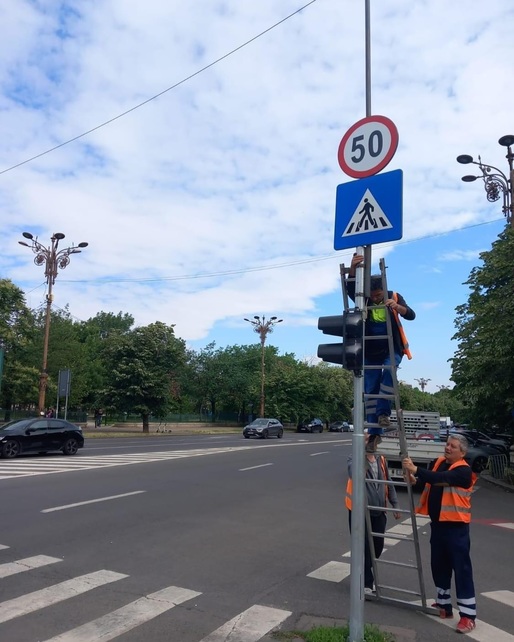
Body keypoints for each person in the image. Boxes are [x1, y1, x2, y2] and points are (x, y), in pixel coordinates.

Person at [403, 434, 477, 635]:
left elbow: (440, 480)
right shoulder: (439, 463)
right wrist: (414, 478)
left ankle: (468, 616)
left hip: (456, 529)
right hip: (438, 526)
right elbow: (430, 483)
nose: (447, 448)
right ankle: (444, 605)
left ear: (462, 452)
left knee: (461, 571)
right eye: (447, 444)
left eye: (452, 446)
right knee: (439, 565)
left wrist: (416, 469)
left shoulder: (464, 471)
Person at [347, 253, 415, 452]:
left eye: (379, 295)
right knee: (370, 389)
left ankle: (383, 415)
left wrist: (398, 307)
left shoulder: (394, 296)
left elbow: (411, 314)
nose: (376, 298)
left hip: (392, 348)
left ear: (384, 290)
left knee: (389, 372)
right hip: (370, 351)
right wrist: (352, 269)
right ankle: (374, 434)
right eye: (373, 295)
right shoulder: (364, 299)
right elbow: (351, 288)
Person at [346, 434, 401, 593]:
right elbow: (355, 475)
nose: (369, 442)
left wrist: (395, 504)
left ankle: (363, 575)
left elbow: (388, 482)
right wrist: (364, 455)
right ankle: (367, 583)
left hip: (379, 511)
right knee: (363, 549)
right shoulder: (354, 457)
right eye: (366, 439)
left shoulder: (381, 458)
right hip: (359, 512)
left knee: (377, 547)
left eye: (372, 439)